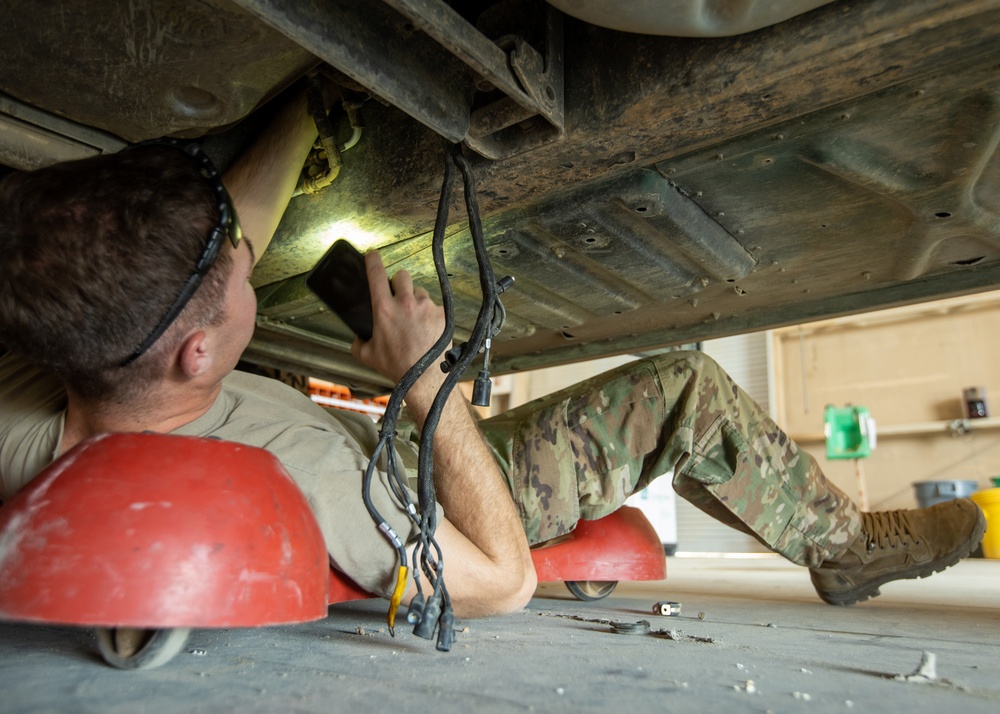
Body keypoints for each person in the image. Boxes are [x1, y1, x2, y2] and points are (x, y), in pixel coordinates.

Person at [0, 89, 986, 620]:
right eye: (239, 280)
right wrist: (423, 379)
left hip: (381, 444)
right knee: (679, 389)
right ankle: (842, 550)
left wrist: (304, 110)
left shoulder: (46, 384)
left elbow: (217, 253)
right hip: (438, 486)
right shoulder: (296, 478)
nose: (249, 270)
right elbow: (501, 583)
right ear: (197, 352)